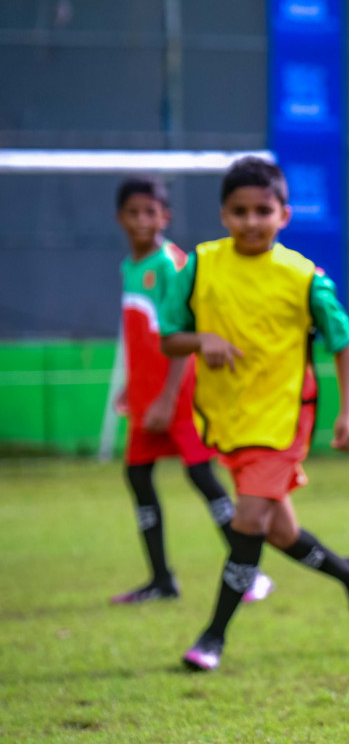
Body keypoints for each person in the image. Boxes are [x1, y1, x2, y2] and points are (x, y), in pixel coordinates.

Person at [160, 157, 349, 671]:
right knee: (279, 533)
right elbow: (170, 338)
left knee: (249, 520)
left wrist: (348, 415)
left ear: (284, 214)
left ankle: (212, 638)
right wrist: (202, 339)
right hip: (229, 423)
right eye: (240, 211)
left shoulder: (302, 277)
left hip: (283, 421)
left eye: (263, 210)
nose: (251, 221)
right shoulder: (200, 265)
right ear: (223, 214)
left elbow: (344, 344)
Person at [109, 177, 273, 605]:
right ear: (119, 218)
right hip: (147, 396)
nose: (142, 221)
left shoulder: (171, 263)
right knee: (137, 477)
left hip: (178, 395)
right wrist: (132, 386)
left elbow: (185, 335)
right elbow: (144, 336)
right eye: (134, 213)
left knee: (202, 475)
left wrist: (165, 397)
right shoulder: (130, 267)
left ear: (165, 216)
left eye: (151, 212)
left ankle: (250, 573)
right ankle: (162, 580)